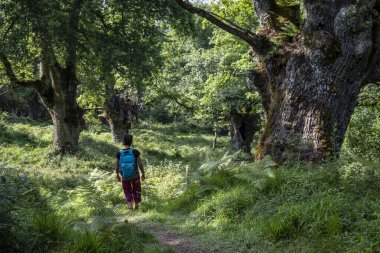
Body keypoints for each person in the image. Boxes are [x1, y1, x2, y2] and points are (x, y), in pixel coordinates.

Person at [115, 134, 145, 210]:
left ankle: (130, 204)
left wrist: (118, 175)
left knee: (126, 189)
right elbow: (140, 164)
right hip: (135, 174)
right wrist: (143, 174)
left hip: (124, 175)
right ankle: (137, 205)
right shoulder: (135, 152)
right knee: (137, 188)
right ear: (131, 142)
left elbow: (116, 167)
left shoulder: (119, 153)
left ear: (123, 142)